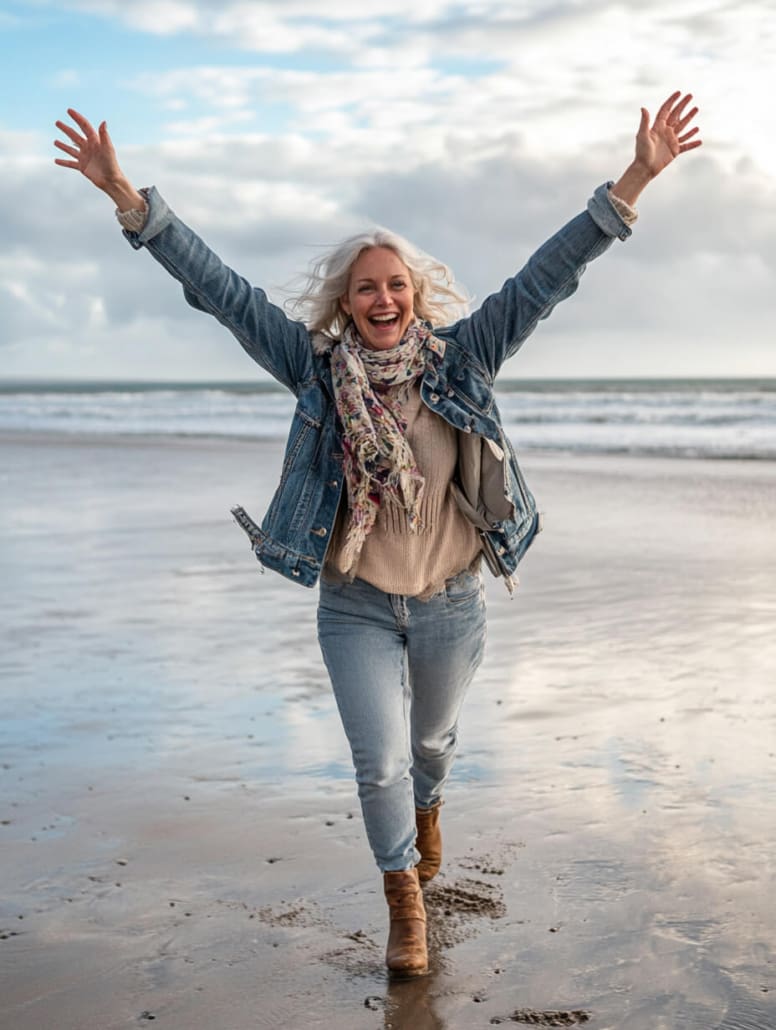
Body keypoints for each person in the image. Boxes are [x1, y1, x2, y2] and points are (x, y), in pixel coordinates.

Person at [54, 93, 702, 978]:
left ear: (415, 296)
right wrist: (132, 202)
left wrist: (633, 179)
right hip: (354, 604)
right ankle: (405, 902)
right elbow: (223, 294)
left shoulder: (463, 358)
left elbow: (545, 280)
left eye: (397, 283)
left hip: (450, 604)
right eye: (367, 286)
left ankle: (430, 811)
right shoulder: (315, 372)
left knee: (431, 749)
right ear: (347, 303)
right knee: (379, 759)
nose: (384, 296)